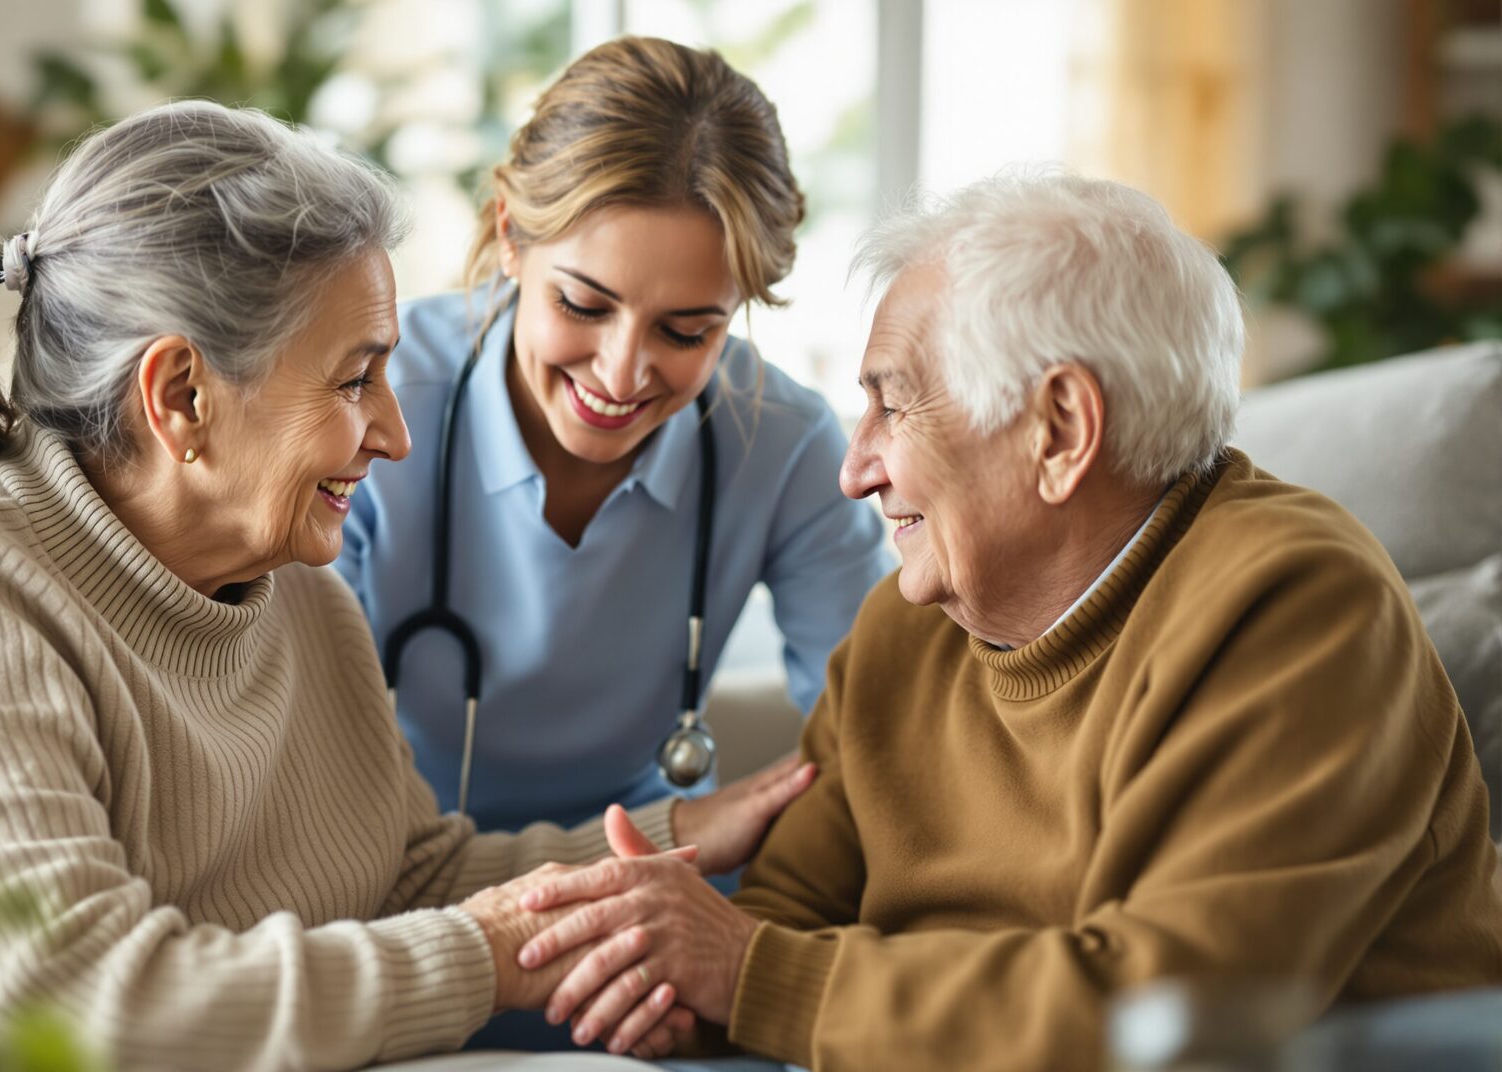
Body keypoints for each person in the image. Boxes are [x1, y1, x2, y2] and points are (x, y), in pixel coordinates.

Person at [0, 101, 784, 1070]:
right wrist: (488, 955)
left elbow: (405, 877)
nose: (394, 433)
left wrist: (673, 844)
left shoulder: (290, 585)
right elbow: (87, 1009)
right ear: (181, 398)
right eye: (355, 378)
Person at [499, 172, 1502, 1069]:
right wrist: (681, 997)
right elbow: (784, 919)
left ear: (1060, 429)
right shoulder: (907, 628)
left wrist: (753, 981)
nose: (856, 468)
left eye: (893, 407)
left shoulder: (1296, 607)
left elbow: (1178, 1015)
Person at [334, 34, 893, 863]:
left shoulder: (781, 440)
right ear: (512, 237)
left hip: (667, 881)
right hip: (407, 879)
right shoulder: (365, 395)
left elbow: (876, 737)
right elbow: (290, 765)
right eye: (584, 305)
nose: (622, 374)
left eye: (686, 330)